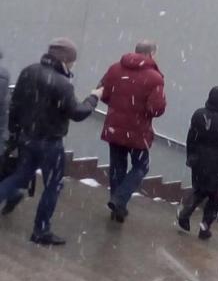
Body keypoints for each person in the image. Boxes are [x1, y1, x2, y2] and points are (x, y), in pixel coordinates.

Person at [0, 39, 101, 246]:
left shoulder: (29, 71)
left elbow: (15, 104)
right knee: (53, 185)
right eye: (72, 61)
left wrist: (15, 134)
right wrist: (93, 98)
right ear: (65, 60)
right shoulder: (62, 84)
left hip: (27, 138)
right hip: (51, 144)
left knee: (19, 177)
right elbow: (77, 113)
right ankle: (41, 230)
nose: (72, 65)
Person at [98, 41, 166, 223]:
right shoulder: (155, 78)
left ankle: (117, 208)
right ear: (151, 54)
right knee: (141, 166)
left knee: (117, 167)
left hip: (114, 126)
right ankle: (119, 200)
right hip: (138, 130)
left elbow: (103, 93)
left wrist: (119, 107)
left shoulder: (115, 69)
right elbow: (156, 109)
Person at [178, 87, 218, 241]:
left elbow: (191, 137)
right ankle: (205, 227)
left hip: (198, 159)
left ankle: (185, 214)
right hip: (217, 163)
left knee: (199, 190)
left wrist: (191, 156)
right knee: (215, 197)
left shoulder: (199, 113)